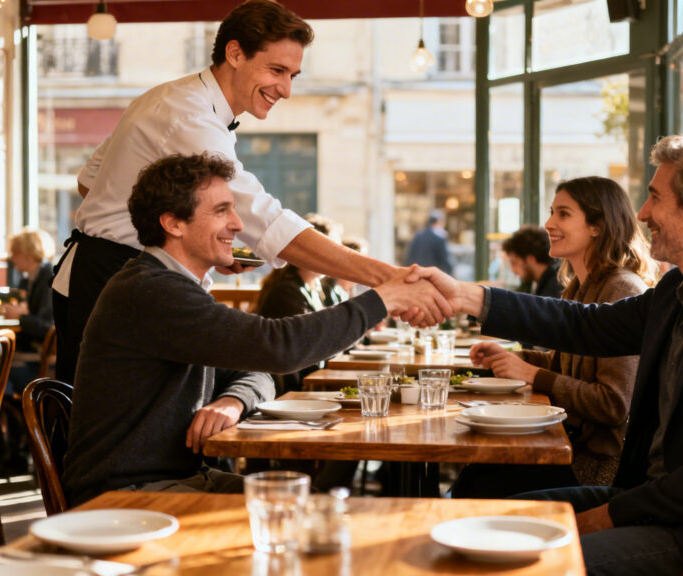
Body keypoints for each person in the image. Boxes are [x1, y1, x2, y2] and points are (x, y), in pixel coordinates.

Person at [418, 135, 683, 574]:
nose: (642, 214)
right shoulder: (681, 289)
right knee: (473, 521)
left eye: (655, 197)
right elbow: (585, 325)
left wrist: (602, 519)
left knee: (514, 563)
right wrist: (469, 297)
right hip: (652, 501)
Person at [52, 0, 450, 384]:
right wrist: (391, 279)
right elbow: (267, 223)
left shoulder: (168, 97)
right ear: (236, 53)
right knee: (112, 426)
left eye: (293, 75)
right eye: (276, 70)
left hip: (109, 273)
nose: (286, 89)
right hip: (115, 279)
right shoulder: (189, 116)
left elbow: (90, 181)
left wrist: (191, 245)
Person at [62, 153, 436, 506]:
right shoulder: (151, 290)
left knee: (319, 509)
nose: (238, 225)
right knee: (313, 519)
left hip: (178, 480)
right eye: (221, 210)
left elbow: (257, 371)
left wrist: (234, 400)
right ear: (173, 222)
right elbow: (277, 348)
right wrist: (382, 300)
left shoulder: (172, 287)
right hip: (125, 496)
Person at [451, 177, 655, 498]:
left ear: (597, 226)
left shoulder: (623, 290)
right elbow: (569, 365)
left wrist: (533, 374)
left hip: (597, 466)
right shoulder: (578, 287)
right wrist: (519, 359)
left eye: (563, 214)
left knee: (479, 483)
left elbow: (614, 404)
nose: (549, 223)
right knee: (477, 469)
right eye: (552, 212)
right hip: (568, 441)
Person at [256, 213, 340, 393]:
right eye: (331, 250)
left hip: (308, 383)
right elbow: (306, 346)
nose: (336, 258)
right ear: (310, 251)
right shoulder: (286, 292)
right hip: (288, 391)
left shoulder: (314, 290)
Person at [3, 228, 55, 394]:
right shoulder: (29, 280)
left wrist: (19, 316)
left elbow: (46, 329)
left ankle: (10, 416)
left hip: (43, 361)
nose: (11, 258)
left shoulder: (49, 277)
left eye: (15, 253)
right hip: (31, 352)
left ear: (27, 253)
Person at [501, 225, 564, 298]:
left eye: (514, 263)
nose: (513, 271)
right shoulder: (533, 284)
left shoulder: (555, 291)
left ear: (530, 259)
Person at [404, 209, 453, 274]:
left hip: (416, 275)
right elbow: (445, 262)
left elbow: (409, 258)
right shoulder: (439, 238)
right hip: (432, 276)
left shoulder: (417, 236)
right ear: (439, 222)